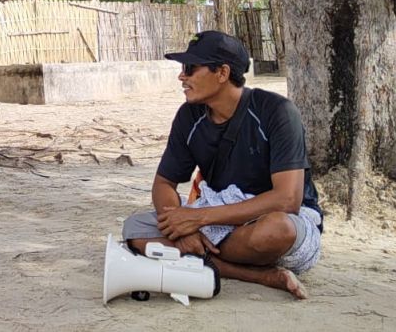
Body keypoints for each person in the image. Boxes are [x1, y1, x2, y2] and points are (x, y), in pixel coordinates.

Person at [121, 31, 323, 300]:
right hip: (218, 216)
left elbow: (288, 200)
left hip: (269, 217)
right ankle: (258, 275)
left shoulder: (277, 112)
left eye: (191, 68)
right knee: (134, 229)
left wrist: (198, 219)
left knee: (278, 230)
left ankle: (201, 258)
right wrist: (179, 228)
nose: (182, 76)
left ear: (222, 72)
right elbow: (164, 183)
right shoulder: (188, 116)